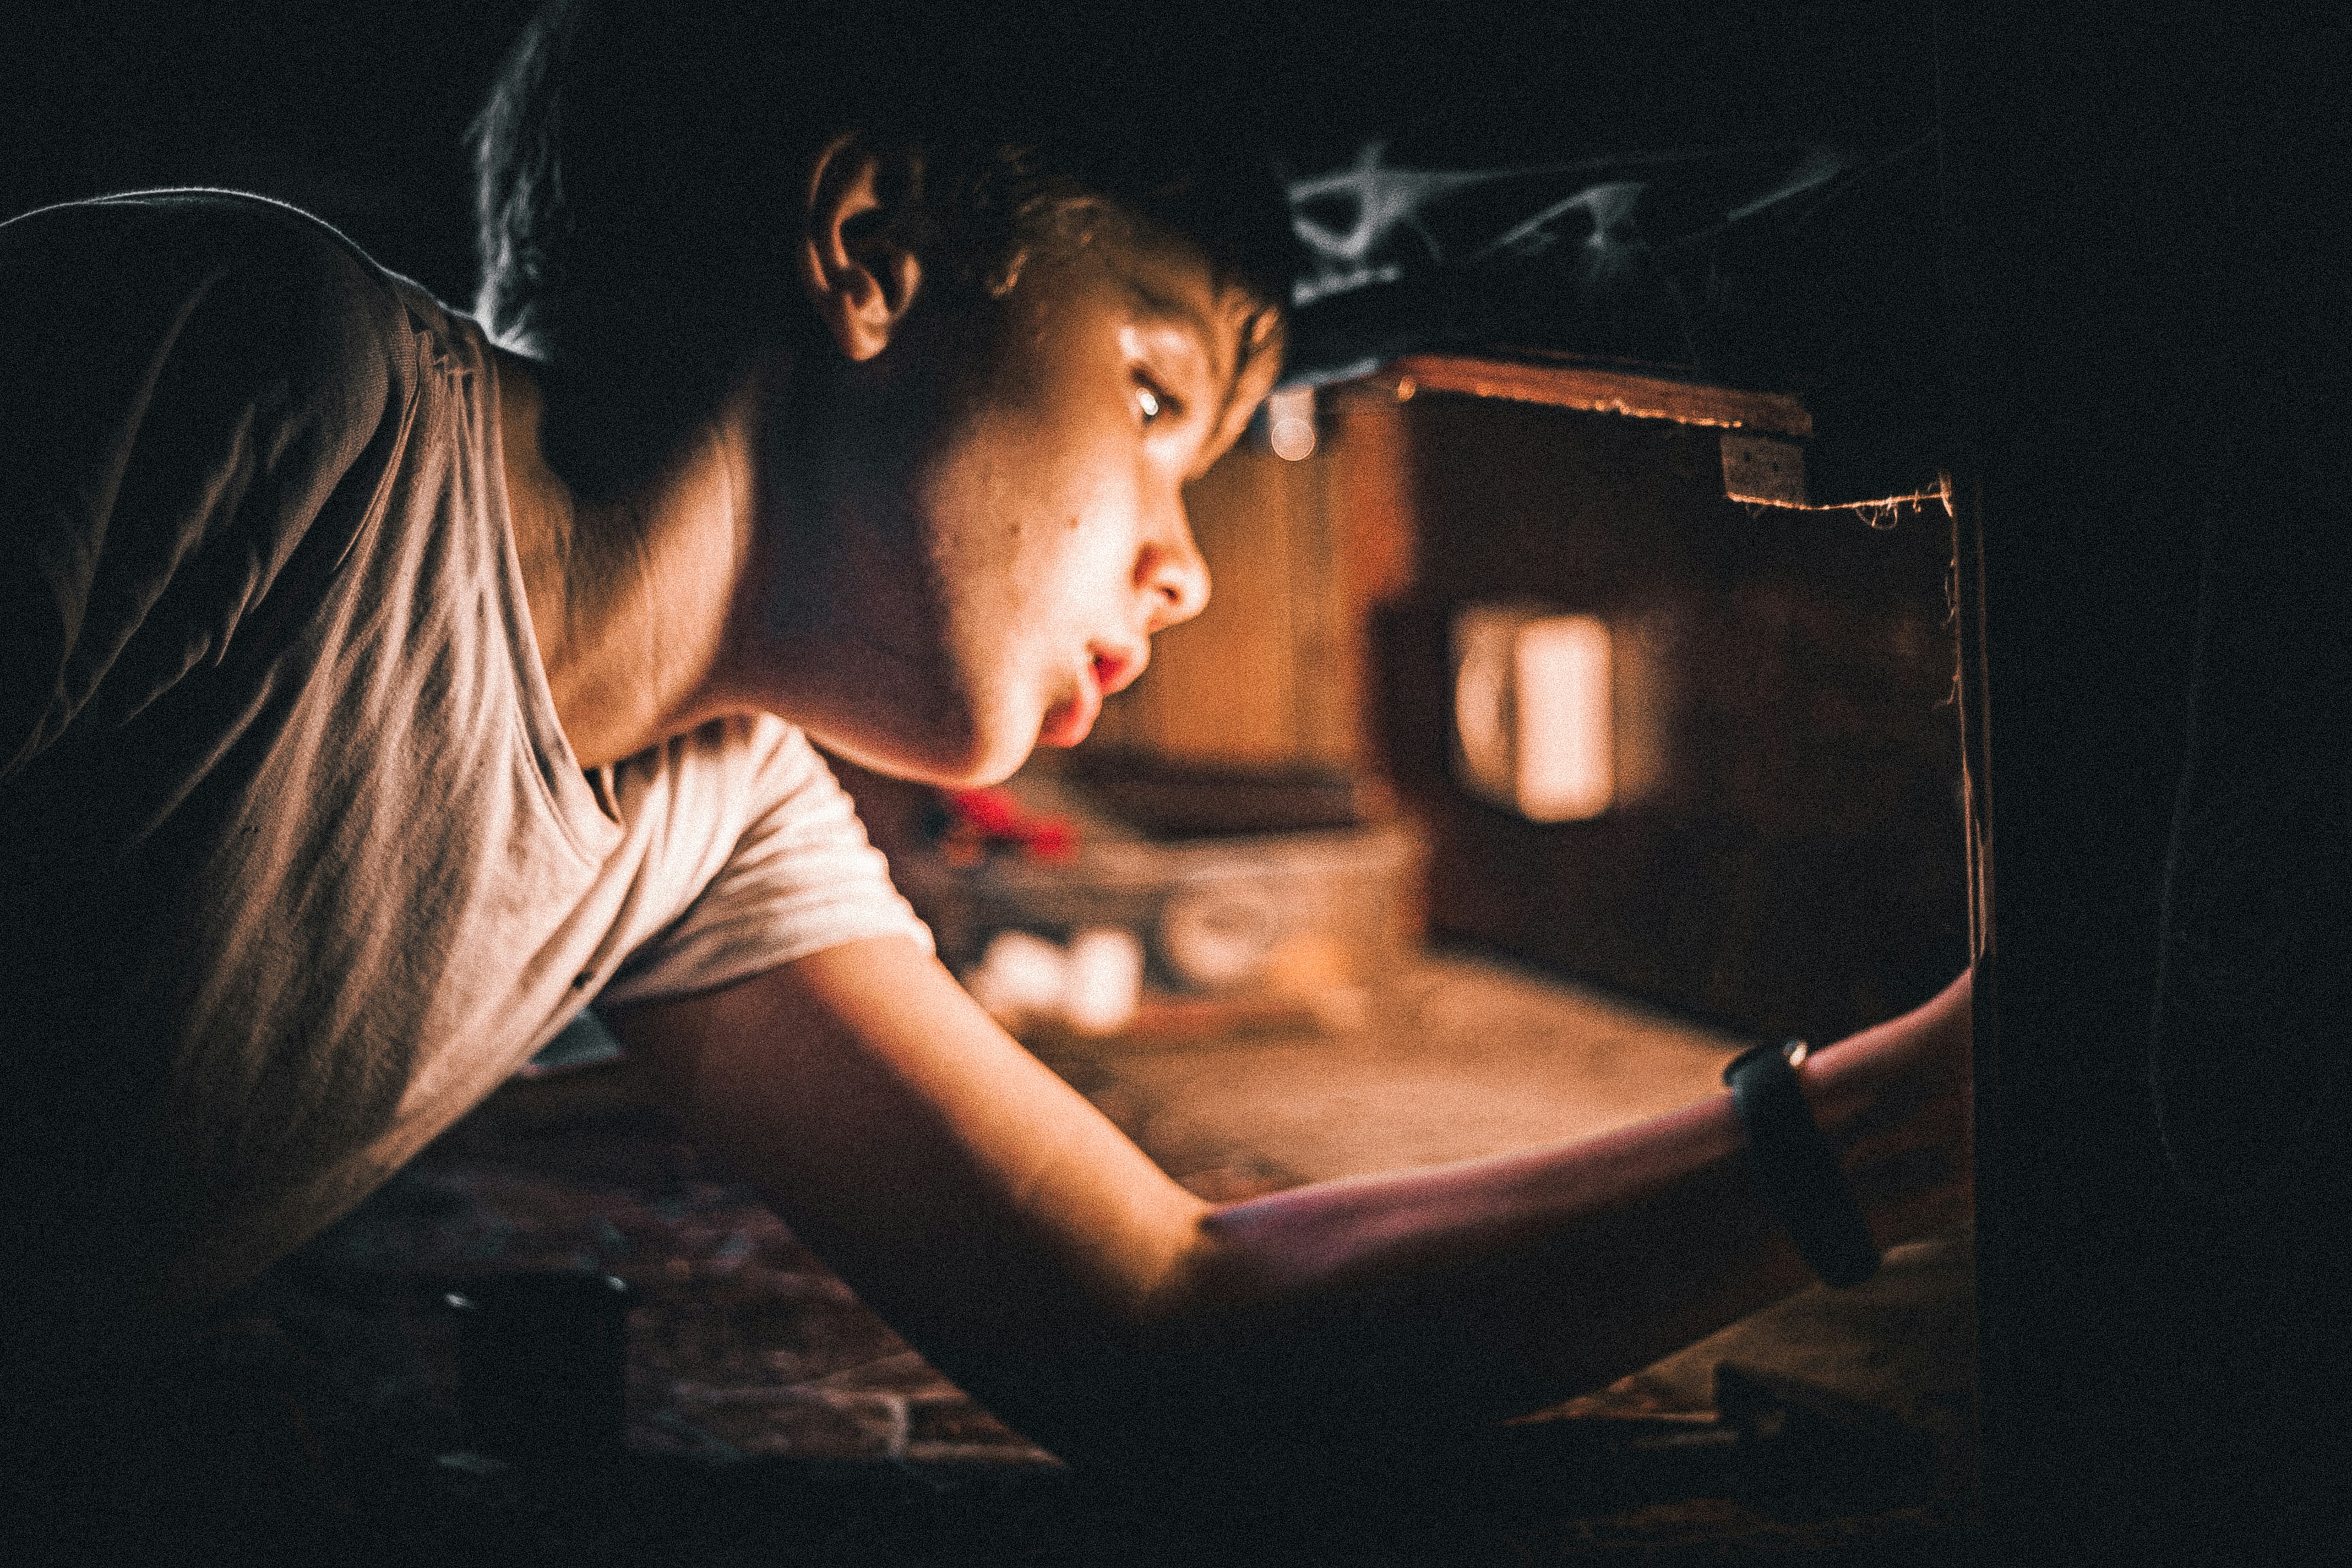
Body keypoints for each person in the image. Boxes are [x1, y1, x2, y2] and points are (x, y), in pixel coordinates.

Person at [0, 0, 1972, 1527]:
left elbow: (1166, 1335)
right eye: (1154, 391)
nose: (1193, 567)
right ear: (869, 249)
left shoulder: (715, 814)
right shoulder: (249, 385)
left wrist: (1916, 1118)